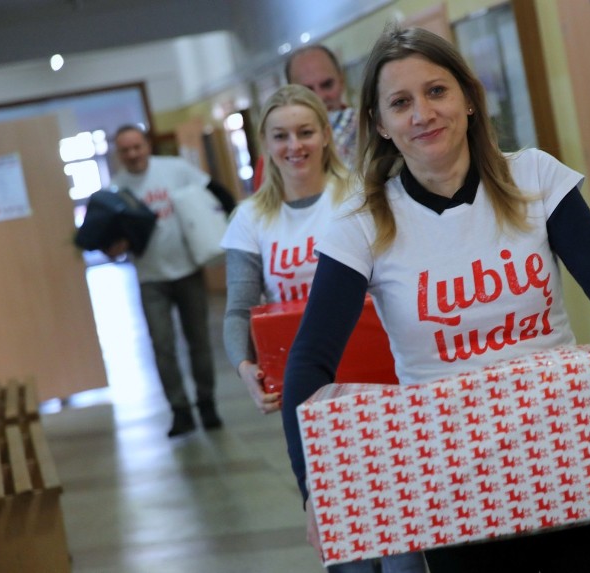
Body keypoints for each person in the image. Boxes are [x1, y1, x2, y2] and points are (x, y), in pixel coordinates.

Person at [281, 25, 590, 573]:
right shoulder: (362, 225)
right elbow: (309, 363)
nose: (422, 113)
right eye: (400, 102)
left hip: (569, 451)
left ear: (468, 98)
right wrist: (314, 492)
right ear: (380, 124)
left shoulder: (534, 176)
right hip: (454, 480)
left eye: (436, 91)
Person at [220, 84, 428, 573]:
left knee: (402, 540)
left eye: (305, 132)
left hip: (380, 383)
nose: (295, 145)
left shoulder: (361, 196)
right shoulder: (251, 218)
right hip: (311, 396)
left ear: (326, 137)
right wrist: (245, 367)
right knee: (345, 544)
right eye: (281, 135)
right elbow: (238, 309)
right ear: (265, 145)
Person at [109, 124, 224, 438]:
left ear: (147, 145)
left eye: (137, 146)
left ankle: (207, 403)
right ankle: (180, 411)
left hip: (188, 269)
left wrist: (233, 219)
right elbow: (111, 243)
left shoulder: (174, 169)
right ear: (118, 154)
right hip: (150, 278)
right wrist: (114, 248)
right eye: (125, 150)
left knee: (198, 342)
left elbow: (214, 190)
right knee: (162, 346)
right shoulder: (115, 190)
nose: (133, 154)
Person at [252, 45, 358, 191]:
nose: (320, 98)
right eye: (307, 90)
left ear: (341, 81)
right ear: (291, 92)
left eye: (327, 85)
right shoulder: (276, 158)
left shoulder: (370, 133)